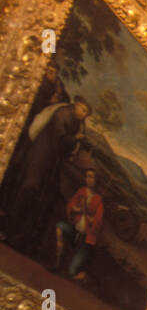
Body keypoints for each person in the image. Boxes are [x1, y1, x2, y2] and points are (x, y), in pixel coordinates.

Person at [0, 96, 91, 252]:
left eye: (86, 113)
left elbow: (67, 147)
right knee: (29, 189)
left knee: (43, 197)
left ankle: (21, 237)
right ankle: (6, 230)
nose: (84, 114)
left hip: (50, 161)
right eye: (83, 109)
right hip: (40, 156)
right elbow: (59, 138)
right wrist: (75, 139)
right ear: (76, 105)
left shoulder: (78, 123)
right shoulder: (62, 114)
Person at [55, 168, 105, 281]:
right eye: (87, 176)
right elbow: (70, 206)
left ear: (96, 181)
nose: (89, 179)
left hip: (85, 239)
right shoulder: (81, 191)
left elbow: (97, 224)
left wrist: (88, 214)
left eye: (92, 177)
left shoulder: (98, 201)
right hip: (75, 231)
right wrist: (78, 209)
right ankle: (58, 259)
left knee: (72, 273)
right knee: (60, 226)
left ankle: (85, 275)